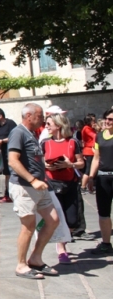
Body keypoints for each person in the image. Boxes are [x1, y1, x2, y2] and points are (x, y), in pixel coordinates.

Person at [8, 103, 60, 279]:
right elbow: (13, 161)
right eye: (39, 115)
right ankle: (21, 265)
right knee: (28, 227)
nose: (43, 119)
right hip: (25, 187)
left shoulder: (31, 134)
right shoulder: (18, 132)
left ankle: (36, 258)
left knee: (53, 220)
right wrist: (32, 180)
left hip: (39, 185)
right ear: (28, 116)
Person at [42, 114, 84, 264]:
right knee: (57, 217)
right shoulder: (45, 143)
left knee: (72, 220)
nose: (46, 126)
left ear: (58, 126)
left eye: (48, 124)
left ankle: (64, 241)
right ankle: (61, 248)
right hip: (52, 184)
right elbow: (39, 161)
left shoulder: (73, 142)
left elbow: (81, 163)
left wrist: (70, 165)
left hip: (70, 184)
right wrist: (45, 165)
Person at [89, 109, 113, 254]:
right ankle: (106, 243)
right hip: (103, 178)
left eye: (111, 119)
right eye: (107, 118)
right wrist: (91, 177)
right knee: (103, 213)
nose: (107, 121)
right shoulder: (99, 136)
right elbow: (96, 158)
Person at [0, 108, 18, 203]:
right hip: (2, 152)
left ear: (0, 116)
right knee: (6, 174)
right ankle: (7, 194)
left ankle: (12, 193)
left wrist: (2, 141)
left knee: (12, 172)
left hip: (11, 151)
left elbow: (14, 136)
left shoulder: (10, 124)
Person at [82, 114, 98, 194]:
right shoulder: (86, 128)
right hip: (89, 151)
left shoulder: (90, 128)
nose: (94, 122)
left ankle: (89, 185)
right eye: (93, 120)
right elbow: (95, 136)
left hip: (91, 150)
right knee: (88, 170)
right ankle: (83, 186)